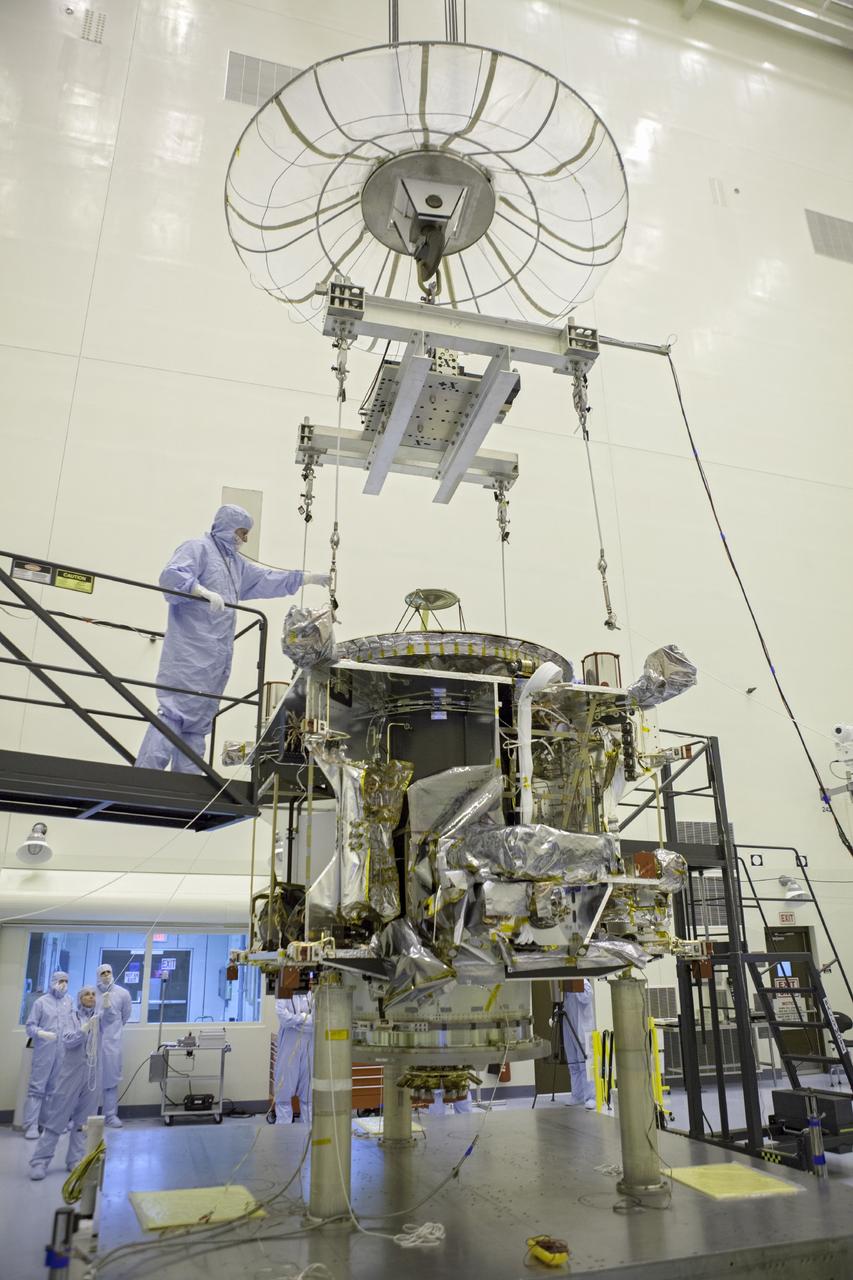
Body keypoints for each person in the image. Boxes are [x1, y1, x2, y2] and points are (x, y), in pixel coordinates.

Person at [135, 503, 329, 772]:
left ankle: (187, 784)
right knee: (173, 714)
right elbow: (171, 577)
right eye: (241, 531)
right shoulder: (197, 548)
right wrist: (198, 590)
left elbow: (266, 578)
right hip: (188, 655)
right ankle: (147, 775)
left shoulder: (235, 565)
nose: (245, 539)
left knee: (198, 725)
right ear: (225, 526)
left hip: (215, 662)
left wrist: (305, 578)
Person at [29, 987, 102, 1180]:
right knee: (57, 1118)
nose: (91, 997)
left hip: (92, 1075)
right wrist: (82, 1031)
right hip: (71, 1074)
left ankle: (75, 1160)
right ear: (80, 999)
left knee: (84, 1121)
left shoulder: (100, 1019)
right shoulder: (72, 1017)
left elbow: (114, 1023)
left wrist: (107, 1009)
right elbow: (68, 1041)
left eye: (94, 994)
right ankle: (40, 1161)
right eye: (87, 994)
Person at [22, 971, 74, 1139]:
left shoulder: (69, 1001)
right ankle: (31, 1125)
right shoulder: (41, 1002)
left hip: (62, 1051)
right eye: (61, 981)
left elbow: (73, 1023)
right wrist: (42, 1034)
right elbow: (29, 1027)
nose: (63, 984)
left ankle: (47, 1123)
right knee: (37, 1088)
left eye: (66, 981)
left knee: (54, 1089)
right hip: (44, 1051)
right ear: (53, 982)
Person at [95, 963, 132, 1127]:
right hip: (92, 1045)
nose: (106, 974)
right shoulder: (91, 993)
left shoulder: (123, 993)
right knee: (89, 1083)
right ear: (98, 975)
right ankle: (86, 1117)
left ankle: (110, 1115)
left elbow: (125, 1016)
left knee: (110, 1081)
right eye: (102, 972)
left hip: (112, 1045)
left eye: (109, 971)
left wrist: (112, 1031)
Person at [274, 973, 313, 1125]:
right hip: (289, 1042)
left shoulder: (313, 990)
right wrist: (304, 1018)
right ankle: (283, 1133)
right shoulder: (283, 989)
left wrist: (296, 1020)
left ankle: (308, 1134)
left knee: (308, 1090)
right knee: (284, 1088)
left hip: (309, 1041)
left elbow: (318, 1018)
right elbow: (283, 1018)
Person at [562, 979, 596, 1109]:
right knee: (573, 1063)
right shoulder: (565, 988)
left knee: (586, 1065)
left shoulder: (584, 983)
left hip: (583, 1030)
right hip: (570, 1028)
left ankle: (591, 1097)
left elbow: (586, 997)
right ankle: (577, 1095)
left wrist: (576, 984)